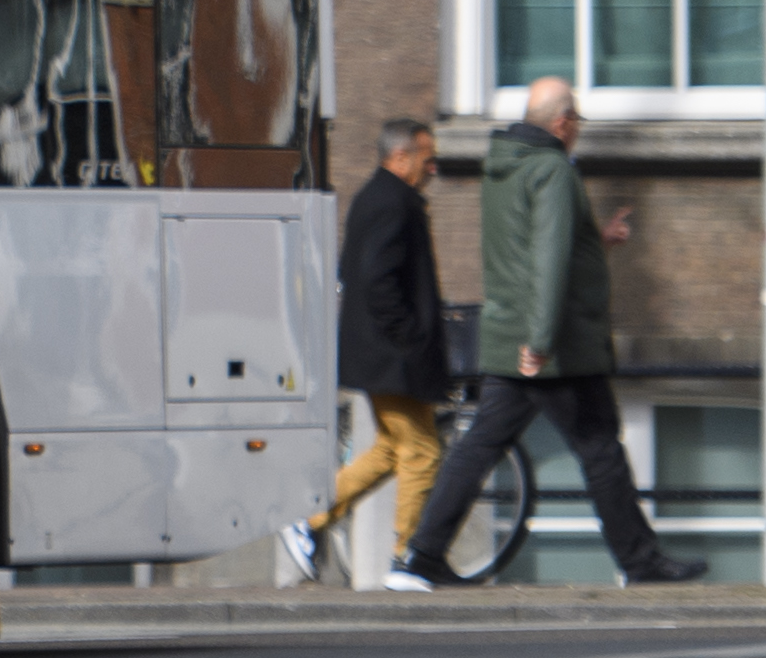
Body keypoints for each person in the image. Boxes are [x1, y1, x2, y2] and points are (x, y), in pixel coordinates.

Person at [401, 76, 710, 589]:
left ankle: (420, 556)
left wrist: (597, 238)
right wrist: (540, 341)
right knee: (600, 449)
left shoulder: (503, 167)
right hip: (554, 345)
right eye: (579, 122)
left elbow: (528, 246)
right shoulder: (552, 171)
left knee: (479, 445)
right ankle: (640, 562)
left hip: (509, 335)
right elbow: (547, 261)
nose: (579, 132)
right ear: (563, 122)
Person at [281, 117, 448, 584]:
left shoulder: (378, 199)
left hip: (382, 352)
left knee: (393, 450)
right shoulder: (393, 203)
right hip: (392, 355)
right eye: (427, 157)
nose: (433, 167)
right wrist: (410, 338)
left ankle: (310, 518)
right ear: (401, 158)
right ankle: (406, 558)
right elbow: (378, 281)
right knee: (422, 452)